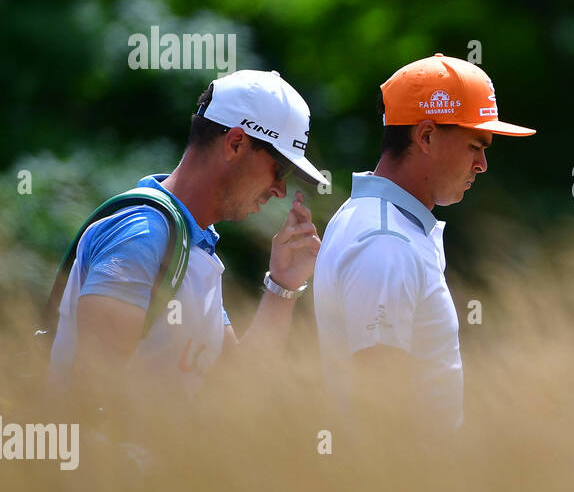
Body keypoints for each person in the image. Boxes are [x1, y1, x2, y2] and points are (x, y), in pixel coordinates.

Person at [47, 69, 325, 407]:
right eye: (280, 169)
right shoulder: (144, 233)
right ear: (235, 143)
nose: (281, 190)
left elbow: (237, 388)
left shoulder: (189, 242)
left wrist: (283, 286)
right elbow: (91, 389)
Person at [314, 53, 534, 432]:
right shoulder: (385, 241)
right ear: (427, 136)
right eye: (474, 145)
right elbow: (380, 411)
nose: (482, 164)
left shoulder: (380, 223)